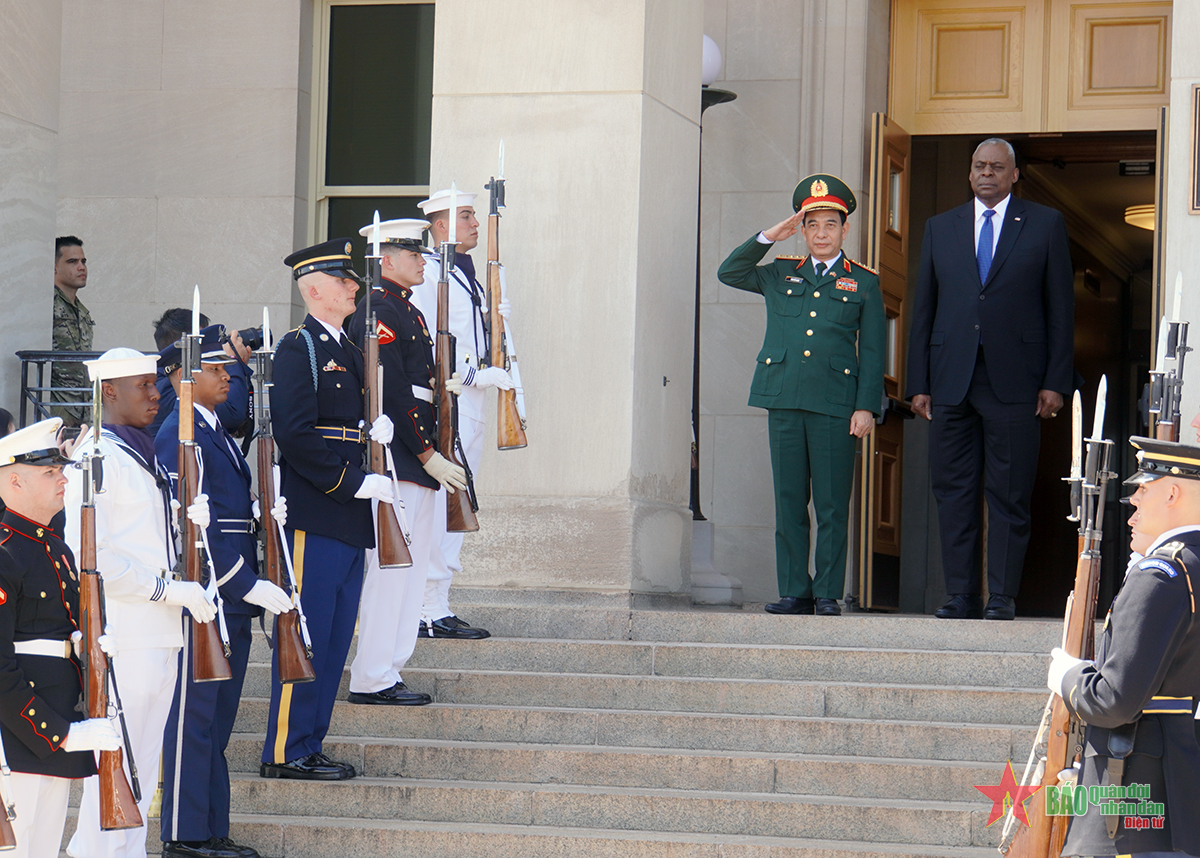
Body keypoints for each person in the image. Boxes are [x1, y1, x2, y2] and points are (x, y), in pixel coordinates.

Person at [906, 137, 1074, 621]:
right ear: (969, 172)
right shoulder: (941, 228)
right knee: (953, 491)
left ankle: (1000, 595)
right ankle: (961, 594)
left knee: (1009, 492)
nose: (987, 174)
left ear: (1014, 174)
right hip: (950, 379)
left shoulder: (1045, 224)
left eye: (997, 168)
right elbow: (925, 310)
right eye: (979, 166)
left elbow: (1061, 309)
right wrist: (919, 381)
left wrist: (1055, 381)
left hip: (1017, 381)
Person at [65, 348, 215, 858]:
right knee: (114, 774)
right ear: (109, 392)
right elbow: (90, 554)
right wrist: (166, 589)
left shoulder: (141, 450)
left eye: (155, 384)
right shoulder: (96, 457)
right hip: (124, 635)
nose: (157, 394)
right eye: (143, 386)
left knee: (142, 773)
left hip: (160, 633)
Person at [716, 174, 885, 616]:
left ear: (845, 230)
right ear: (803, 229)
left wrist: (866, 406)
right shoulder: (780, 272)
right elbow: (729, 272)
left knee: (831, 504)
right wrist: (772, 234)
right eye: (813, 225)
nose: (822, 234)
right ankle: (795, 590)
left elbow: (871, 350)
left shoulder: (863, 283)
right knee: (789, 501)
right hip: (784, 400)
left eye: (831, 225)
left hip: (835, 405)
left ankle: (826, 592)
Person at [259, 239, 395, 780]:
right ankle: (284, 750)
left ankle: (312, 742)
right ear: (315, 289)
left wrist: (373, 436)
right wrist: (352, 482)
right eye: (345, 281)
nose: (355, 288)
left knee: (336, 639)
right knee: (307, 633)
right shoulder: (301, 348)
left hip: (349, 515)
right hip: (318, 510)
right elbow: (293, 434)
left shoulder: (351, 348)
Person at [154, 327, 291, 858]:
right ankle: (186, 836)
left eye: (225, 368)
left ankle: (211, 828)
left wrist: (260, 517)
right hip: (211, 595)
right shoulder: (179, 435)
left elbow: (227, 518)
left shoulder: (211, 431)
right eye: (214, 370)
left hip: (230, 599)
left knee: (218, 723)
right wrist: (246, 583)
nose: (227, 375)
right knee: (195, 720)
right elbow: (194, 531)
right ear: (183, 378)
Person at [1047, 436, 1200, 856]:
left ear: (1172, 492)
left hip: (1133, 808)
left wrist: (1068, 675)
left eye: (1143, 490)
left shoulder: (1163, 573)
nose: (1132, 504)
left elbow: (1114, 699)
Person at [346, 219, 468, 705]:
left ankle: (389, 670)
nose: (423, 260)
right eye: (412, 253)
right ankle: (372, 675)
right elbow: (391, 390)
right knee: (393, 569)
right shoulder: (378, 309)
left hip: (415, 453)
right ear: (386, 260)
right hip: (399, 452)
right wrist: (425, 452)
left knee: (411, 569)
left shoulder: (406, 309)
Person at [0, 418, 122, 858]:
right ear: (14, 481)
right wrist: (58, 734)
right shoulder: (5, 552)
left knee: (43, 849)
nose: (63, 478)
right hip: (21, 733)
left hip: (58, 723)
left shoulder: (55, 547)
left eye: (61, 470)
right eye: (49, 472)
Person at [412, 188, 511, 639]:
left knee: (457, 502)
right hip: (451, 401)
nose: (475, 224)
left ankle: (439, 602)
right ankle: (427, 607)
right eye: (467, 216)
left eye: (474, 214)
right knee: (441, 506)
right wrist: (475, 377)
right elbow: (432, 344)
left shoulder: (467, 275)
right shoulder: (432, 275)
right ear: (441, 226)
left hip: (471, 404)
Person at [148, 309, 253, 439]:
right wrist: (233, 360)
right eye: (204, 339)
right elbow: (231, 415)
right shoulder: (164, 387)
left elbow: (237, 428)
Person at [51, 236, 95, 426]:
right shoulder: (46, 305)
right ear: (54, 268)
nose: (81, 267)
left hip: (82, 408)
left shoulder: (81, 310)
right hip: (54, 408)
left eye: (83, 261)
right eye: (72, 261)